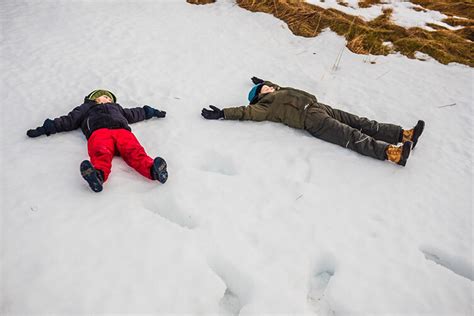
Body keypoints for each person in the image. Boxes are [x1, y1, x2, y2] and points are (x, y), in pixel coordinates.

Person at [201, 77, 424, 166]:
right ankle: (391, 153)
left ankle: (403, 135)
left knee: (361, 122)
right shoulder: (264, 106)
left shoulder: (277, 90)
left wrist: (262, 80)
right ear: (259, 96)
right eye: (264, 88)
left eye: (267, 85)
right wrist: (222, 113)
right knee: (351, 136)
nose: (269, 87)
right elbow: (245, 112)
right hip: (311, 120)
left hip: (319, 107)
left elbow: (274, 84)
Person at [27, 89, 168, 192]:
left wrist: (150, 112)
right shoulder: (85, 109)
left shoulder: (117, 108)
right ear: (92, 99)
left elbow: (134, 113)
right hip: (99, 133)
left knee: (134, 151)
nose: (105, 99)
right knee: (101, 153)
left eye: (108, 97)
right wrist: (48, 127)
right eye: (101, 97)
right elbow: (69, 120)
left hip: (122, 132)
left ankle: (153, 170)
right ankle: (97, 175)